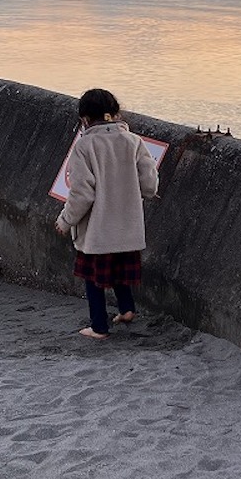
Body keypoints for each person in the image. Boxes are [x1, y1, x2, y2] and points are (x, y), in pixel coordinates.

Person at [55, 88, 159, 339]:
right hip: (127, 225)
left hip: (98, 229)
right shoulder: (133, 141)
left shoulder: (84, 146)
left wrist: (65, 221)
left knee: (94, 279)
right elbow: (149, 184)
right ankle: (126, 310)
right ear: (114, 113)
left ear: (85, 118)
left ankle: (99, 327)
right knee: (121, 270)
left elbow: (82, 193)